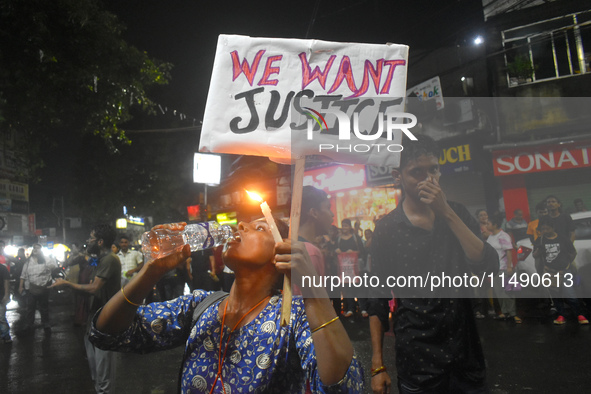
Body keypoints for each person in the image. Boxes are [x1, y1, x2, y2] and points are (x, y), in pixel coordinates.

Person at [87, 219, 363, 393]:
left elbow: (342, 386)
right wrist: (150, 271)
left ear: (281, 253)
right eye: (244, 224)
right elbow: (106, 332)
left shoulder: (292, 317)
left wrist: (314, 292)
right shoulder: (200, 305)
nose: (239, 226)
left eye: (259, 227)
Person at [369, 135, 498, 394]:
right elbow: (377, 299)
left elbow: (487, 267)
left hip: (466, 355)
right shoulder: (386, 229)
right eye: (417, 172)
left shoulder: (457, 213)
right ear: (398, 177)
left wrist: (446, 212)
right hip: (418, 361)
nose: (428, 179)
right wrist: (377, 365)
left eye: (434, 170)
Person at [50, 224, 121, 394]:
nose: (88, 241)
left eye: (91, 238)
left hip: (106, 319)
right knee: (95, 369)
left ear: (101, 241)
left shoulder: (110, 259)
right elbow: (87, 260)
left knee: (104, 373)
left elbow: (95, 287)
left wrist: (67, 284)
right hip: (93, 318)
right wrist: (75, 258)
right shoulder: (100, 259)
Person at [533, 215, 589, 325]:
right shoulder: (540, 240)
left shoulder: (563, 238)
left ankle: (579, 314)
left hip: (564, 270)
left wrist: (567, 263)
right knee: (556, 295)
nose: (545, 231)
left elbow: (573, 252)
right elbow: (535, 255)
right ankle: (561, 315)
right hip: (550, 272)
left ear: (553, 227)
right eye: (543, 229)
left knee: (569, 293)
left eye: (547, 228)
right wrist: (539, 249)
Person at [487, 213, 521, 323]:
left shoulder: (503, 236)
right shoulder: (490, 237)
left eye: (488, 223)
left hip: (504, 267)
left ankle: (513, 314)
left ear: (495, 225)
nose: (486, 225)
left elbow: (509, 252)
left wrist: (509, 266)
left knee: (508, 291)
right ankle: (505, 312)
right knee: (499, 291)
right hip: (495, 268)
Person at [18, 244, 57, 332]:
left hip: (43, 288)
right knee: (30, 307)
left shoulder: (46, 259)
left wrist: (48, 263)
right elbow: (23, 275)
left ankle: (46, 323)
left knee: (44, 307)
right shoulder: (28, 262)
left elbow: (53, 266)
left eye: (38, 248)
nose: (36, 249)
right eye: (34, 248)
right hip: (31, 288)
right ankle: (29, 323)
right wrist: (20, 287)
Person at [335, 218, 366, 318]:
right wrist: (337, 250)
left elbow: (362, 250)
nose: (344, 228)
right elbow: (333, 249)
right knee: (347, 288)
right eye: (343, 225)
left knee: (359, 287)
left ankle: (363, 308)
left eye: (346, 225)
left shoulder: (355, 237)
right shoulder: (338, 239)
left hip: (355, 267)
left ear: (350, 227)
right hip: (344, 268)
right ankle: (351, 308)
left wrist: (353, 252)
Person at [0, 261, 11, 343]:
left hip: (1, 297)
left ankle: (6, 336)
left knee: (1, 318)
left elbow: (6, 281)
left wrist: (7, 295)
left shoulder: (2, 268)